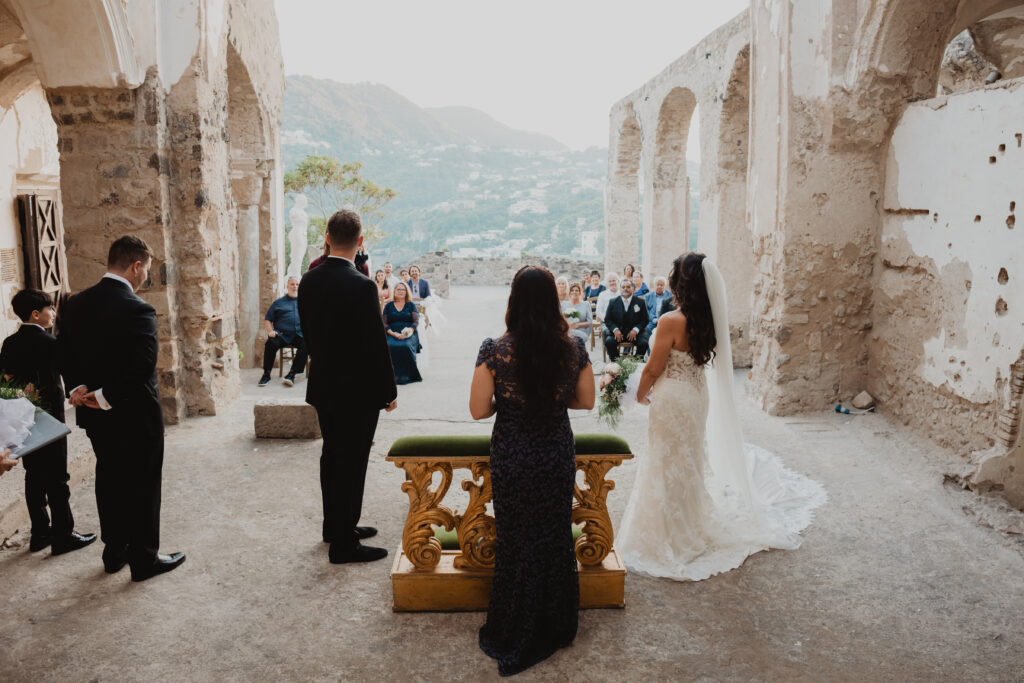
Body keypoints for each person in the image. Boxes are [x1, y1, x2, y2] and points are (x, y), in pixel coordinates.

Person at [617, 252, 825, 581]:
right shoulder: (711, 319)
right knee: (688, 459)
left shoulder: (671, 321)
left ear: (680, 282)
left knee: (665, 459)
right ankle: (691, 522)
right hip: (697, 396)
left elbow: (655, 368)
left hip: (672, 397)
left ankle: (669, 532)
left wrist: (636, 393)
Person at [469, 266, 594, 676]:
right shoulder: (574, 347)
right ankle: (555, 620)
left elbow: (477, 410)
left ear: (515, 300)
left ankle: (513, 621)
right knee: (553, 533)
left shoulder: (495, 349)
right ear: (553, 302)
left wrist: (508, 402)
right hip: (555, 450)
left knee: (516, 536)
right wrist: (554, 402)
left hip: (513, 452)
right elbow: (586, 401)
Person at [59, 235, 185, 581]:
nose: (145, 276)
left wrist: (79, 389)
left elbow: (65, 355)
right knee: (143, 484)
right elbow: (142, 367)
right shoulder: (139, 310)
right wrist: (102, 396)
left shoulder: (75, 304)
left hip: (95, 417)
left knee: (110, 478)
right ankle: (144, 559)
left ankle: (114, 552)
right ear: (136, 266)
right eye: (145, 269)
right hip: (135, 415)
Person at [298, 209, 397, 564]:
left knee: (332, 457)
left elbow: (307, 334)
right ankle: (344, 543)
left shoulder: (308, 281)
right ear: (360, 241)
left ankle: (335, 526)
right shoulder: (362, 285)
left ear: (326, 236)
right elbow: (375, 343)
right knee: (352, 462)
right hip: (357, 391)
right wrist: (389, 391)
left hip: (324, 385)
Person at [0, 289, 95, 555]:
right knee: (57, 479)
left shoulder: (9, 343)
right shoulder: (50, 344)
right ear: (36, 314)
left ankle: (40, 534)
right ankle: (63, 534)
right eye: (49, 309)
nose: (52, 314)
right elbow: (70, 370)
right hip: (49, 420)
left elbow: (4, 382)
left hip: (21, 421)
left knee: (33, 476)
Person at [259, 276, 308, 388]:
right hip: (281, 334)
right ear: (287, 286)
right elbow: (268, 319)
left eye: (297, 284)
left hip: (298, 335)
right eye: (292, 284)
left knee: (307, 344)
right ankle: (266, 374)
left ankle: (291, 374)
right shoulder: (278, 303)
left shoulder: (304, 302)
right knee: (270, 343)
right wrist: (270, 331)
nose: (295, 286)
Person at [382, 282, 423, 385]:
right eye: (398, 289)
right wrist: (393, 333)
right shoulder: (388, 305)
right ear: (394, 291)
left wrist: (409, 332)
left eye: (403, 290)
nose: (400, 291)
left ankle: (407, 375)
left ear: (406, 292)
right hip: (392, 332)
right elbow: (384, 323)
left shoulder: (411, 305)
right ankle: (391, 375)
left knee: (405, 346)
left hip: (409, 332)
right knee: (389, 346)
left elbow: (415, 322)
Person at [603, 278, 649, 360]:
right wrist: (615, 330)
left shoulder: (640, 302)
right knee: (609, 342)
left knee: (643, 343)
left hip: (635, 333)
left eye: (628, 287)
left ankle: (635, 362)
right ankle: (617, 363)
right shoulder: (612, 302)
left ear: (633, 289)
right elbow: (608, 319)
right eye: (623, 287)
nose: (625, 289)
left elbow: (645, 319)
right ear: (620, 289)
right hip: (618, 332)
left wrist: (635, 330)